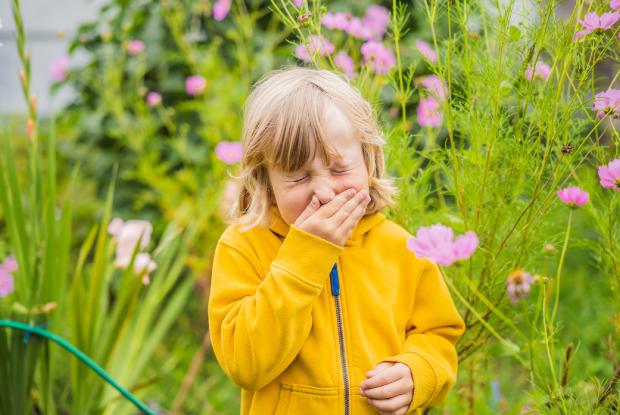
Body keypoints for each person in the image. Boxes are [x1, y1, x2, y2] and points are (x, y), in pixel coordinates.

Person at [207, 66, 465, 415]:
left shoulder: (400, 248)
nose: (325, 193)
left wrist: (416, 372)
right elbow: (246, 363)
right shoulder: (245, 247)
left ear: (368, 160)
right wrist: (304, 258)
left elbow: (438, 335)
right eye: (298, 177)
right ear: (265, 181)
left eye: (340, 169)